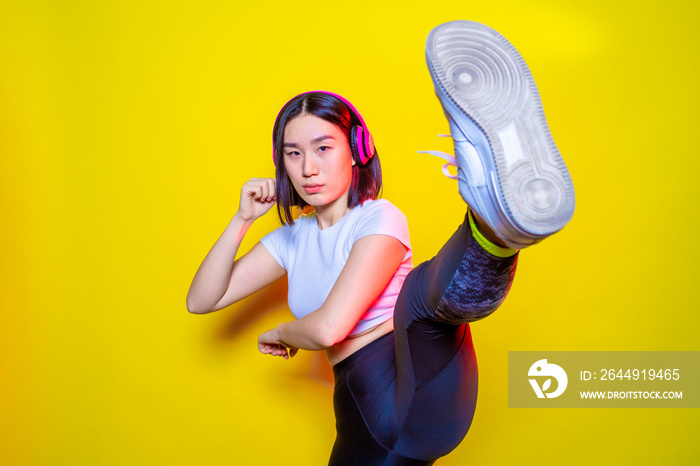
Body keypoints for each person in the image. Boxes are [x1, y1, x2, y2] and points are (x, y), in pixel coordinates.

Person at [186, 20, 574, 465]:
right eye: (293, 154)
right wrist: (242, 219)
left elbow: (329, 328)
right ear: (282, 164)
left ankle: (495, 227)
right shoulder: (289, 242)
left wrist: (280, 332)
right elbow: (202, 300)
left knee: (418, 300)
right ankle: (496, 225)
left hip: (418, 384)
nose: (308, 167)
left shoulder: (379, 218)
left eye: (323, 148)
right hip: (360, 418)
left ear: (356, 149)